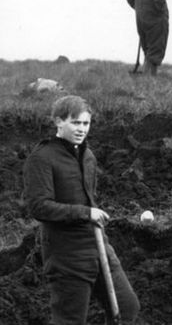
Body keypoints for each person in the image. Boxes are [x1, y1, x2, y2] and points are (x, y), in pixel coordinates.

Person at [23, 96, 140, 324]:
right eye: (75, 123)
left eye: (86, 124)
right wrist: (85, 213)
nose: (82, 129)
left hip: (99, 247)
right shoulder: (42, 158)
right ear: (58, 121)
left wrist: (91, 216)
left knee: (127, 308)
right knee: (70, 320)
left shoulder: (88, 156)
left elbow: (90, 198)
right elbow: (39, 206)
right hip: (66, 255)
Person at [125, 0, 169, 76]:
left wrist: (139, 8)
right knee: (155, 48)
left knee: (148, 48)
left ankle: (146, 79)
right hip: (155, 15)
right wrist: (160, 11)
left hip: (140, 15)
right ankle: (149, 81)